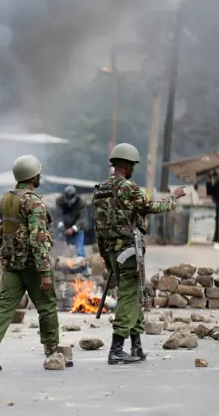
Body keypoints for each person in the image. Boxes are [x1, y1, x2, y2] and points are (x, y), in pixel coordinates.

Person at [93, 143, 185, 365]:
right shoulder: (128, 187)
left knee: (134, 295)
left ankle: (136, 347)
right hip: (128, 249)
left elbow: (98, 227)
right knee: (128, 296)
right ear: (126, 165)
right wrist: (173, 197)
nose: (133, 168)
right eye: (132, 164)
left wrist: (105, 256)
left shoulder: (101, 189)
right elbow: (151, 207)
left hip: (112, 251)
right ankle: (116, 349)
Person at [0, 155, 68, 371]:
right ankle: (52, 352)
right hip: (33, 265)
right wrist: (44, 271)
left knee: (4, 306)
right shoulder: (34, 201)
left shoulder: (5, 199)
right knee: (46, 307)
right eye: (38, 174)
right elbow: (38, 238)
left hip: (11, 263)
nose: (40, 177)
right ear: (33, 176)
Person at [55, 185, 87, 258]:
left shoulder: (81, 202)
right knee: (61, 249)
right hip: (65, 227)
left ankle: (84, 268)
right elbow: (58, 215)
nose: (70, 203)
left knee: (80, 250)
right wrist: (61, 226)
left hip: (78, 227)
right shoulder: (59, 201)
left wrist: (73, 229)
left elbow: (82, 218)